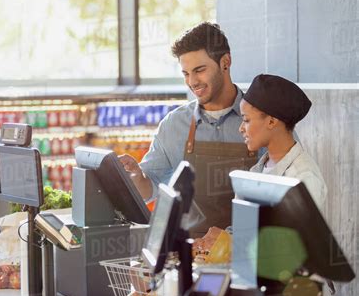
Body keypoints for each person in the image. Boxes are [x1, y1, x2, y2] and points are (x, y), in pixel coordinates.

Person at [119, 22, 258, 235]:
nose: (192, 82)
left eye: (199, 70)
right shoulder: (174, 125)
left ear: (225, 62)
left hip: (249, 251)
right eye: (185, 73)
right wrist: (137, 176)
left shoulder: (263, 120)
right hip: (191, 255)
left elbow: (283, 198)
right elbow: (150, 189)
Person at [239, 74, 327, 210]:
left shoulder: (303, 179)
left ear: (271, 121)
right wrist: (225, 232)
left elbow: (302, 231)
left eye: (246, 120)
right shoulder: (256, 170)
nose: (241, 129)